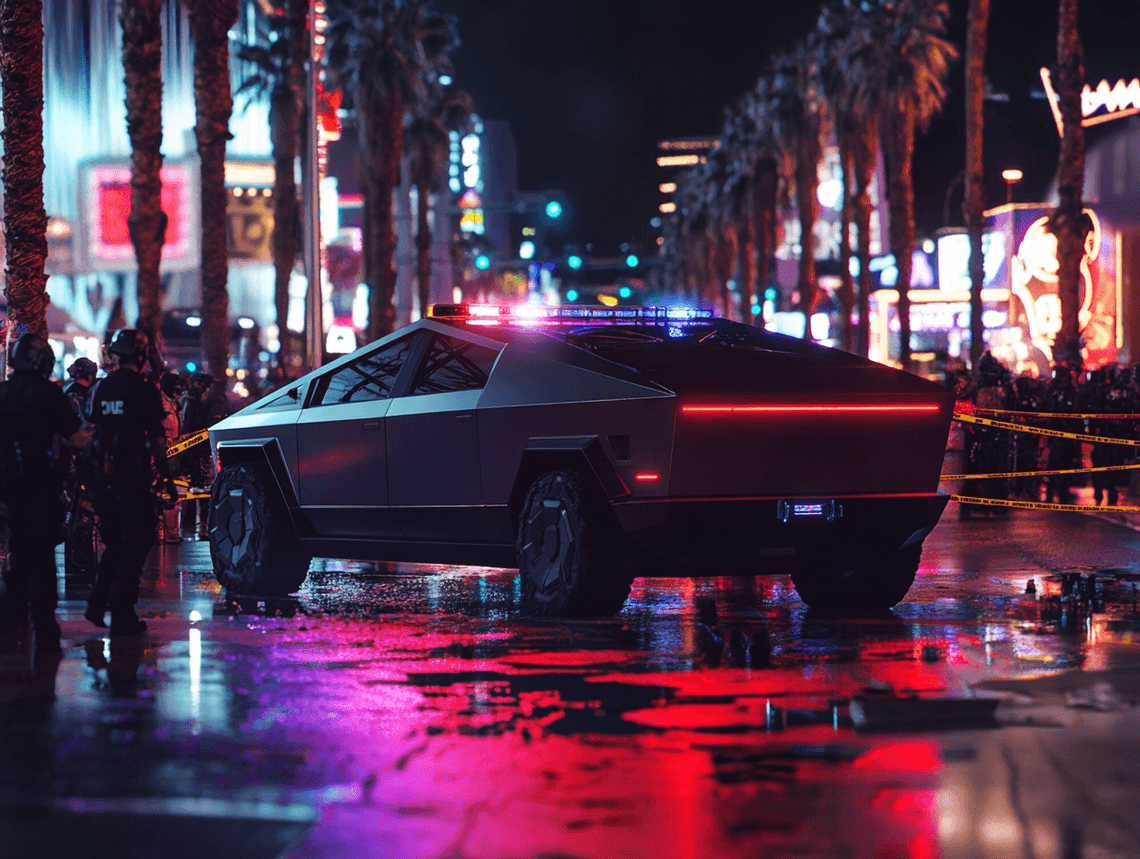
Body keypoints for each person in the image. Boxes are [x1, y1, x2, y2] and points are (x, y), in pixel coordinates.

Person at [85, 328, 176, 635]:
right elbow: (156, 439)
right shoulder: (145, 389)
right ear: (141, 354)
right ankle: (121, 612)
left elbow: (93, 430)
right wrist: (167, 479)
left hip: (105, 478)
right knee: (137, 544)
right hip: (134, 478)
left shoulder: (103, 387)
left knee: (115, 543)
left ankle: (99, 601)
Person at [0, 333, 83, 653]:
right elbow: (75, 435)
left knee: (18, 543)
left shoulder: (4, 393)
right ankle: (44, 621)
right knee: (44, 552)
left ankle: (14, 611)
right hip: (42, 484)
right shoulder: (49, 393)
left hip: (10, 486)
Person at [179, 372, 227, 539]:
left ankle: (205, 527)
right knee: (189, 489)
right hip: (190, 452)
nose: (192, 390)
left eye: (196, 386)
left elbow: (213, 427)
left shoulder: (215, 403)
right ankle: (188, 527)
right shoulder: (191, 403)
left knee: (207, 490)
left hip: (207, 453)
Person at [158, 371, 184, 544]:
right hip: (161, 452)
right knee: (161, 492)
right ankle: (160, 533)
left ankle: (171, 533)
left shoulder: (172, 403)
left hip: (175, 451)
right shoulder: (159, 402)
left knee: (175, 491)